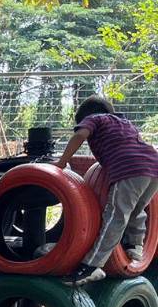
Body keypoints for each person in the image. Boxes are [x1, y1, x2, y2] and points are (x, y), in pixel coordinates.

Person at [55, 96, 158, 285]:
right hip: (153, 166)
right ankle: (135, 245)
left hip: (130, 169)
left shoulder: (94, 119)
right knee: (136, 208)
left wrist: (62, 162)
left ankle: (91, 267)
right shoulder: (124, 122)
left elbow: (80, 135)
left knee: (115, 217)